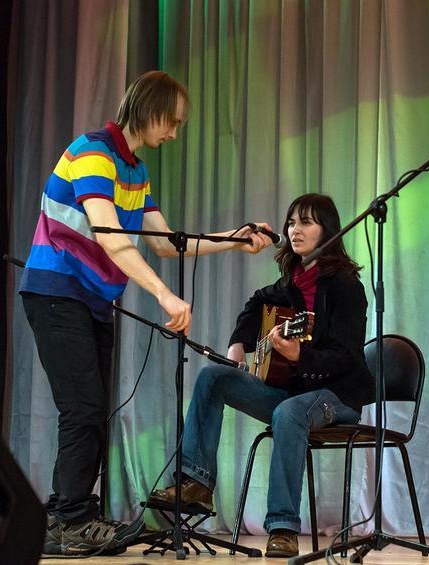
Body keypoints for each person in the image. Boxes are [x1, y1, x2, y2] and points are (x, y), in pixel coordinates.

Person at [19, 70, 272, 556]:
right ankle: (65, 521)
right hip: (57, 292)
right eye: (172, 122)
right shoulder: (93, 153)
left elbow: (163, 241)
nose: (174, 133)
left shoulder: (134, 169)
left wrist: (234, 240)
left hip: (93, 300)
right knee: (84, 408)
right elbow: (112, 237)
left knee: (93, 412)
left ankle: (73, 513)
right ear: (149, 108)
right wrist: (163, 295)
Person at [148, 193, 374, 558]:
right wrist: (239, 343)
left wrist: (301, 355)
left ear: (328, 230)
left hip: (338, 397)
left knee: (289, 413)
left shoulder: (347, 287)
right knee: (213, 377)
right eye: (292, 222)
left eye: (306, 222)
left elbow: (346, 358)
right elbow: (256, 303)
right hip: (295, 394)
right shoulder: (292, 282)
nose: (294, 230)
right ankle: (196, 482)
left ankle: (282, 527)